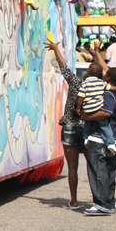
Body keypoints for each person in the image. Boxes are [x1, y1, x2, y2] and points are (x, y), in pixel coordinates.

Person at [46, 39, 84, 210]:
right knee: (94, 166)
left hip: (70, 127)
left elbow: (63, 67)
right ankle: (100, 201)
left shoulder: (77, 84)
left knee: (72, 167)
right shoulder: (100, 90)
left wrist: (55, 49)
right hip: (87, 129)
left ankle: (74, 201)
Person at [82, 67, 116, 216]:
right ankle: (109, 202)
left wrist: (87, 117)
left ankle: (103, 204)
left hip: (101, 139)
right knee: (109, 170)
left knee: (98, 170)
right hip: (114, 136)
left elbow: (106, 112)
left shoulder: (108, 94)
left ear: (107, 79)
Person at [78, 62, 116, 155]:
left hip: (87, 109)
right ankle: (110, 143)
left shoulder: (84, 84)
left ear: (88, 72)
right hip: (98, 108)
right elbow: (111, 88)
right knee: (104, 126)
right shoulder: (101, 83)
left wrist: (78, 108)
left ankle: (86, 138)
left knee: (87, 123)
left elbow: (81, 98)